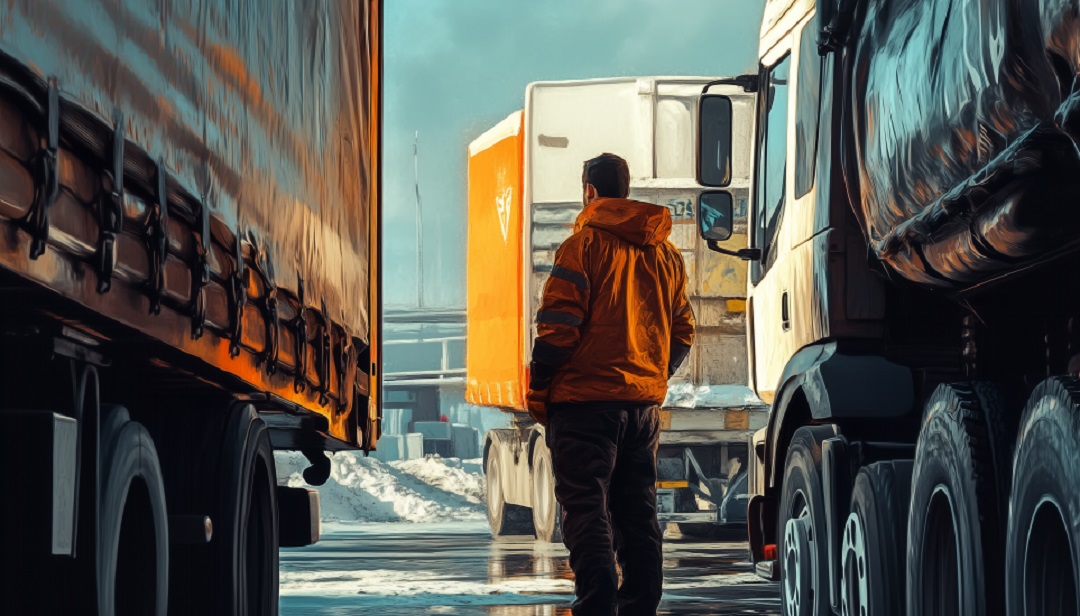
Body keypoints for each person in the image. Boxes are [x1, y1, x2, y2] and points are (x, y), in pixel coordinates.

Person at [525, 153, 695, 615]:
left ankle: (597, 604)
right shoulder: (666, 255)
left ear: (589, 191)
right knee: (637, 513)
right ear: (626, 187)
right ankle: (639, 605)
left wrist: (540, 383)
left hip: (583, 405)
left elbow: (558, 329)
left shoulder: (582, 248)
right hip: (642, 410)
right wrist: (651, 375)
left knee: (586, 510)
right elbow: (683, 332)